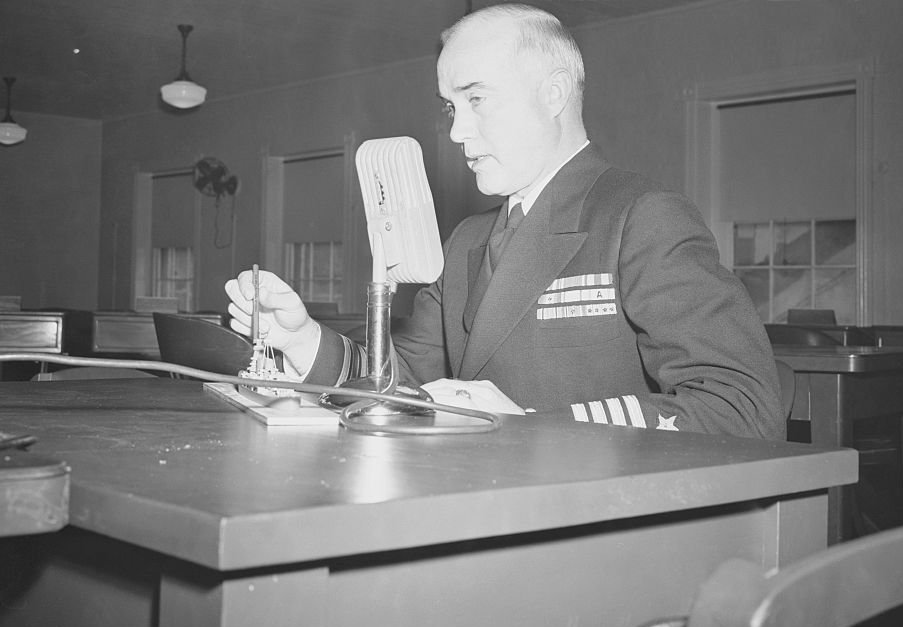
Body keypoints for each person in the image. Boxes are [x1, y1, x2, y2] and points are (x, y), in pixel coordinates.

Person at [226, 3, 784, 439]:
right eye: (450, 106)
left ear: (554, 93)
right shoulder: (469, 239)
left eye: (476, 99)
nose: (455, 132)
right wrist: (301, 341)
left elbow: (743, 407)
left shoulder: (640, 216)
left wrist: (533, 423)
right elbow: (403, 383)